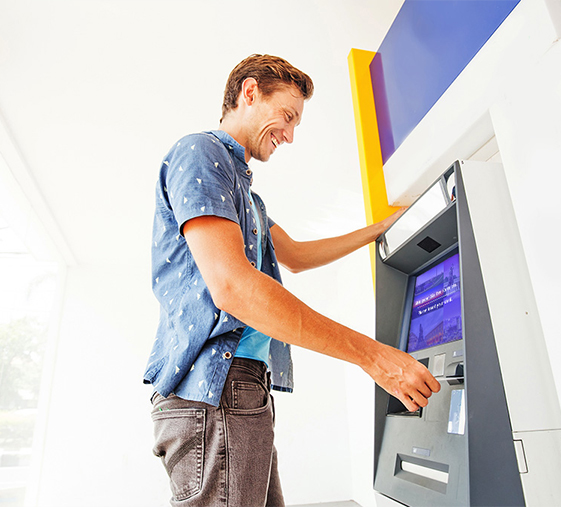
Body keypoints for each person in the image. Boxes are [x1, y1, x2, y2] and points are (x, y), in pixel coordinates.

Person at [144, 54, 440, 506]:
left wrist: (381, 229)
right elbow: (232, 287)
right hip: (215, 388)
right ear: (249, 92)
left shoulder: (249, 199)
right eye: (287, 115)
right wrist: (373, 356)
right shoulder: (200, 153)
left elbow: (296, 257)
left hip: (243, 388)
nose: (290, 134)